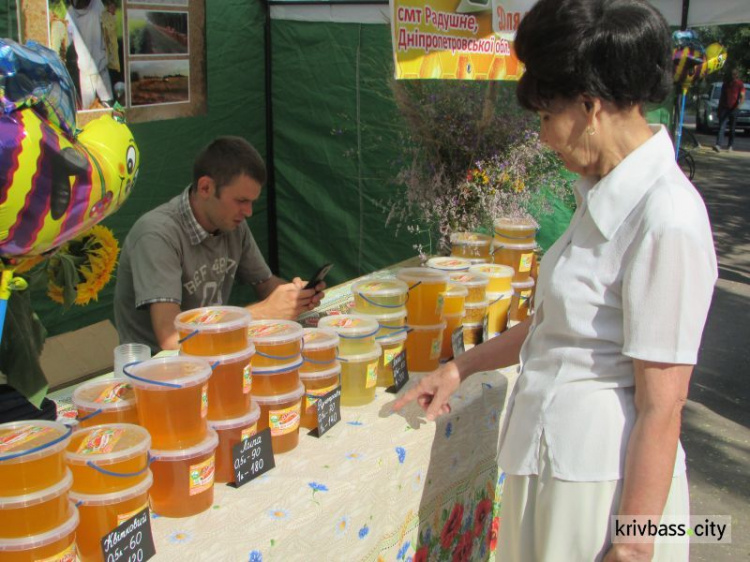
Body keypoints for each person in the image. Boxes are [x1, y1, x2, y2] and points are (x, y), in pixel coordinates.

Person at [394, 1, 717, 561]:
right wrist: (460, 366)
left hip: (600, 494)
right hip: (549, 469)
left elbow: (664, 403)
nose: (543, 137)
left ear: (590, 107)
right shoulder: (600, 195)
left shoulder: (667, 218)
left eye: (546, 117)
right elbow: (558, 324)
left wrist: (635, 546)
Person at [114, 136, 325, 353]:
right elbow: (171, 340)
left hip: (217, 351)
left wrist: (295, 295)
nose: (249, 212)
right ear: (205, 187)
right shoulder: (157, 235)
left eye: (252, 202)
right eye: (241, 201)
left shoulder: (231, 223)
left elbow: (265, 283)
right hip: (161, 370)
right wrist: (261, 313)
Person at [65, 0, 113, 109]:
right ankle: (117, 122)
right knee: (94, 111)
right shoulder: (71, 13)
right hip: (89, 70)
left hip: (97, 68)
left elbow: (66, 41)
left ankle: (118, 123)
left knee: (107, 108)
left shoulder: (96, 4)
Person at [713, 68, 746, 153]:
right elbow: (722, 96)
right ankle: (718, 145)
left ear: (737, 75)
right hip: (724, 108)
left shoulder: (740, 84)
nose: (732, 76)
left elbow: (742, 96)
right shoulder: (726, 84)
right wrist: (719, 109)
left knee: (732, 128)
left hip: (734, 109)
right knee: (722, 127)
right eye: (731, 75)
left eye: (734, 75)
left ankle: (730, 145)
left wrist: (738, 106)